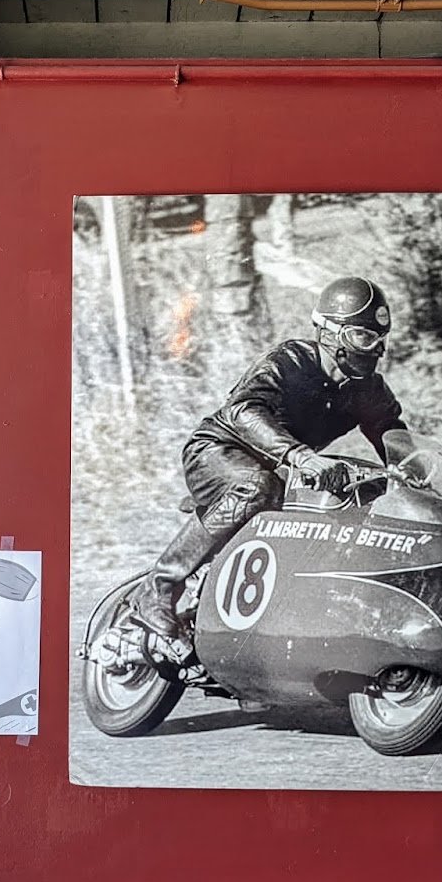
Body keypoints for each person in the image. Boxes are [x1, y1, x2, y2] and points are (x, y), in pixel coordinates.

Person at [129, 275, 408, 645]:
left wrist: (412, 472)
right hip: (216, 451)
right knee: (256, 486)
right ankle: (158, 586)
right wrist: (301, 456)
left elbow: (391, 429)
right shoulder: (291, 361)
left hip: (280, 469)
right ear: (331, 333)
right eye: (363, 336)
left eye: (379, 339)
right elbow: (242, 409)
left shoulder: (367, 390)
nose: (376, 349)